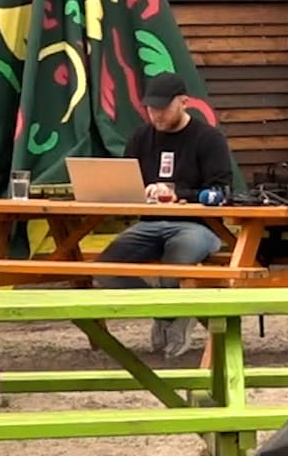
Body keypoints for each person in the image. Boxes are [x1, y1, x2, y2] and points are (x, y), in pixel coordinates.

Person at [94, 72, 236, 358]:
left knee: (177, 262)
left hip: (197, 226)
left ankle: (171, 313)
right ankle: (169, 313)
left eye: (163, 107)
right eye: (151, 108)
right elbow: (127, 182)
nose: (156, 114)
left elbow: (222, 191)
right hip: (149, 224)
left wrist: (178, 193)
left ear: (183, 102)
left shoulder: (208, 139)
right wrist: (131, 191)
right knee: (103, 270)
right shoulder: (141, 137)